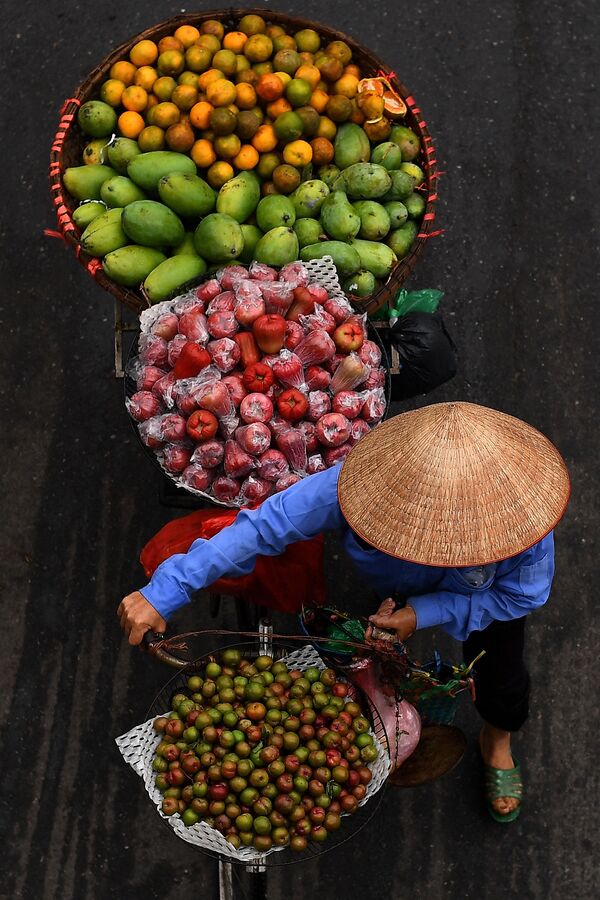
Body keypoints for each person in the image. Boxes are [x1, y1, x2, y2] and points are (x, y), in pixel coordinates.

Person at [118, 401, 570, 823]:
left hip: (481, 601)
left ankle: (498, 736)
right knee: (369, 649)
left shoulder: (521, 527)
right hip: (392, 589)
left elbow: (519, 597)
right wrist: (168, 588)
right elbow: (263, 527)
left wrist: (425, 613)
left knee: (502, 675)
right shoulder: (355, 485)